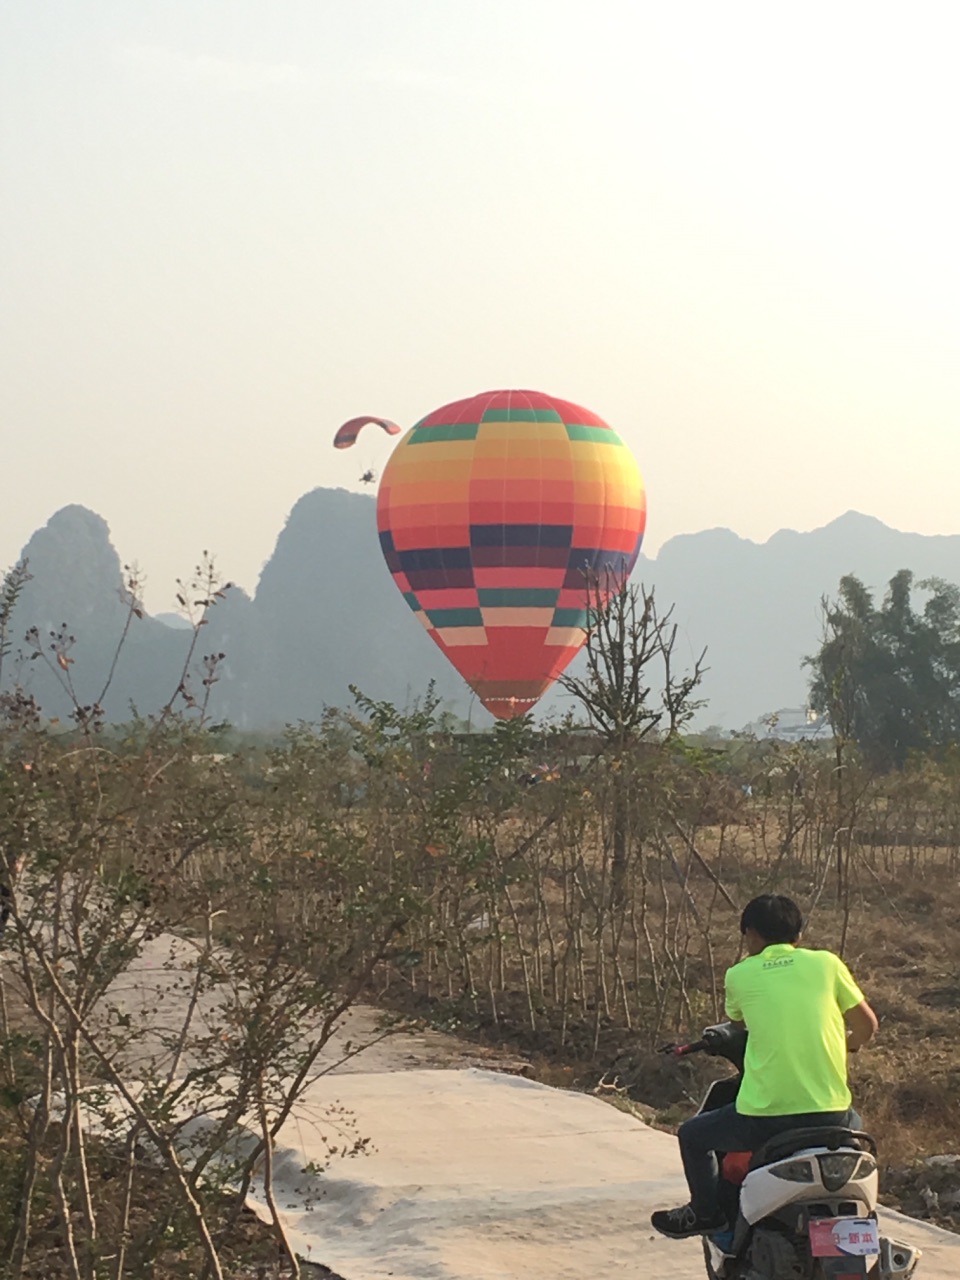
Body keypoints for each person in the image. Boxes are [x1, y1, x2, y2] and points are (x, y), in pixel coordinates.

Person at [651, 893, 878, 1239]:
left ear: (750, 935)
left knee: (692, 1136)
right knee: (855, 1133)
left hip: (764, 1119)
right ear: (798, 936)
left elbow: (739, 1022)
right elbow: (867, 1025)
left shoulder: (739, 975)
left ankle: (705, 1213)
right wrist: (848, 1044)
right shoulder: (828, 964)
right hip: (832, 1113)